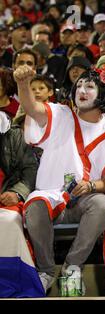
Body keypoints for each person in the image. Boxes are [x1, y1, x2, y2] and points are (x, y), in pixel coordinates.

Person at [14, 65, 105, 294]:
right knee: (35, 203)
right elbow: (32, 107)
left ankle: (73, 267)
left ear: (103, 94)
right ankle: (46, 272)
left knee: (103, 204)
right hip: (51, 197)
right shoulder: (60, 113)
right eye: (79, 85)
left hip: (85, 201)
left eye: (90, 86)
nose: (82, 89)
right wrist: (23, 84)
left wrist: (91, 185)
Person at [0, 113, 42, 297]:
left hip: (7, 194)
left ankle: (13, 283)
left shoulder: (13, 133)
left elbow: (30, 168)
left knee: (9, 222)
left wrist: (18, 193)